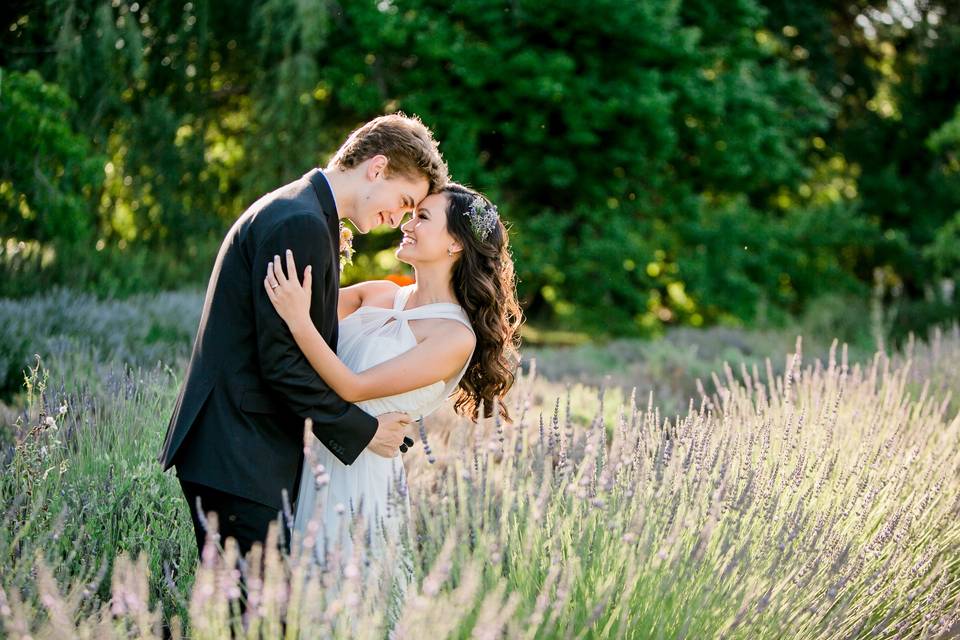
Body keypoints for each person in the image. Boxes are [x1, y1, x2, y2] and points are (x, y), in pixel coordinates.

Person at [157, 114, 449, 559]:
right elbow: (283, 363)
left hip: (239, 447)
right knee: (252, 618)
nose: (398, 220)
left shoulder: (303, 210)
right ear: (376, 168)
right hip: (240, 449)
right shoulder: (302, 223)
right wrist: (364, 431)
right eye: (404, 200)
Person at [263, 183, 522, 628]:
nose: (406, 223)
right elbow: (297, 321)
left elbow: (353, 387)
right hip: (299, 457)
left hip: (358, 482)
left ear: (455, 243)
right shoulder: (379, 293)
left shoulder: (453, 336)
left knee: (341, 611)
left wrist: (297, 318)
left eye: (423, 217)